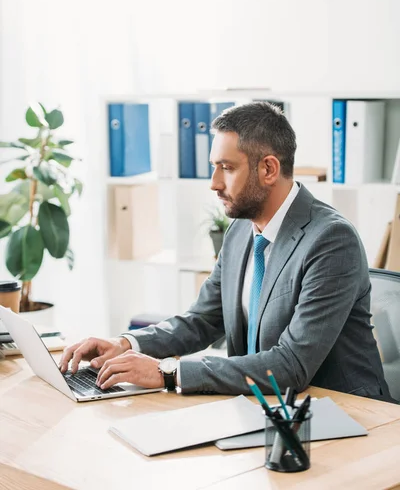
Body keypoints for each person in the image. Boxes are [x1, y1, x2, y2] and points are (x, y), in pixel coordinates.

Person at [60, 102, 392, 401]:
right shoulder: (240, 232)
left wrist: (168, 373)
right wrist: (127, 344)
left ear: (269, 169)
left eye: (227, 168)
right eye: (214, 167)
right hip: (262, 405)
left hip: (343, 416)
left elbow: (291, 365)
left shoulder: (331, 240)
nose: (214, 183)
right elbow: (202, 320)